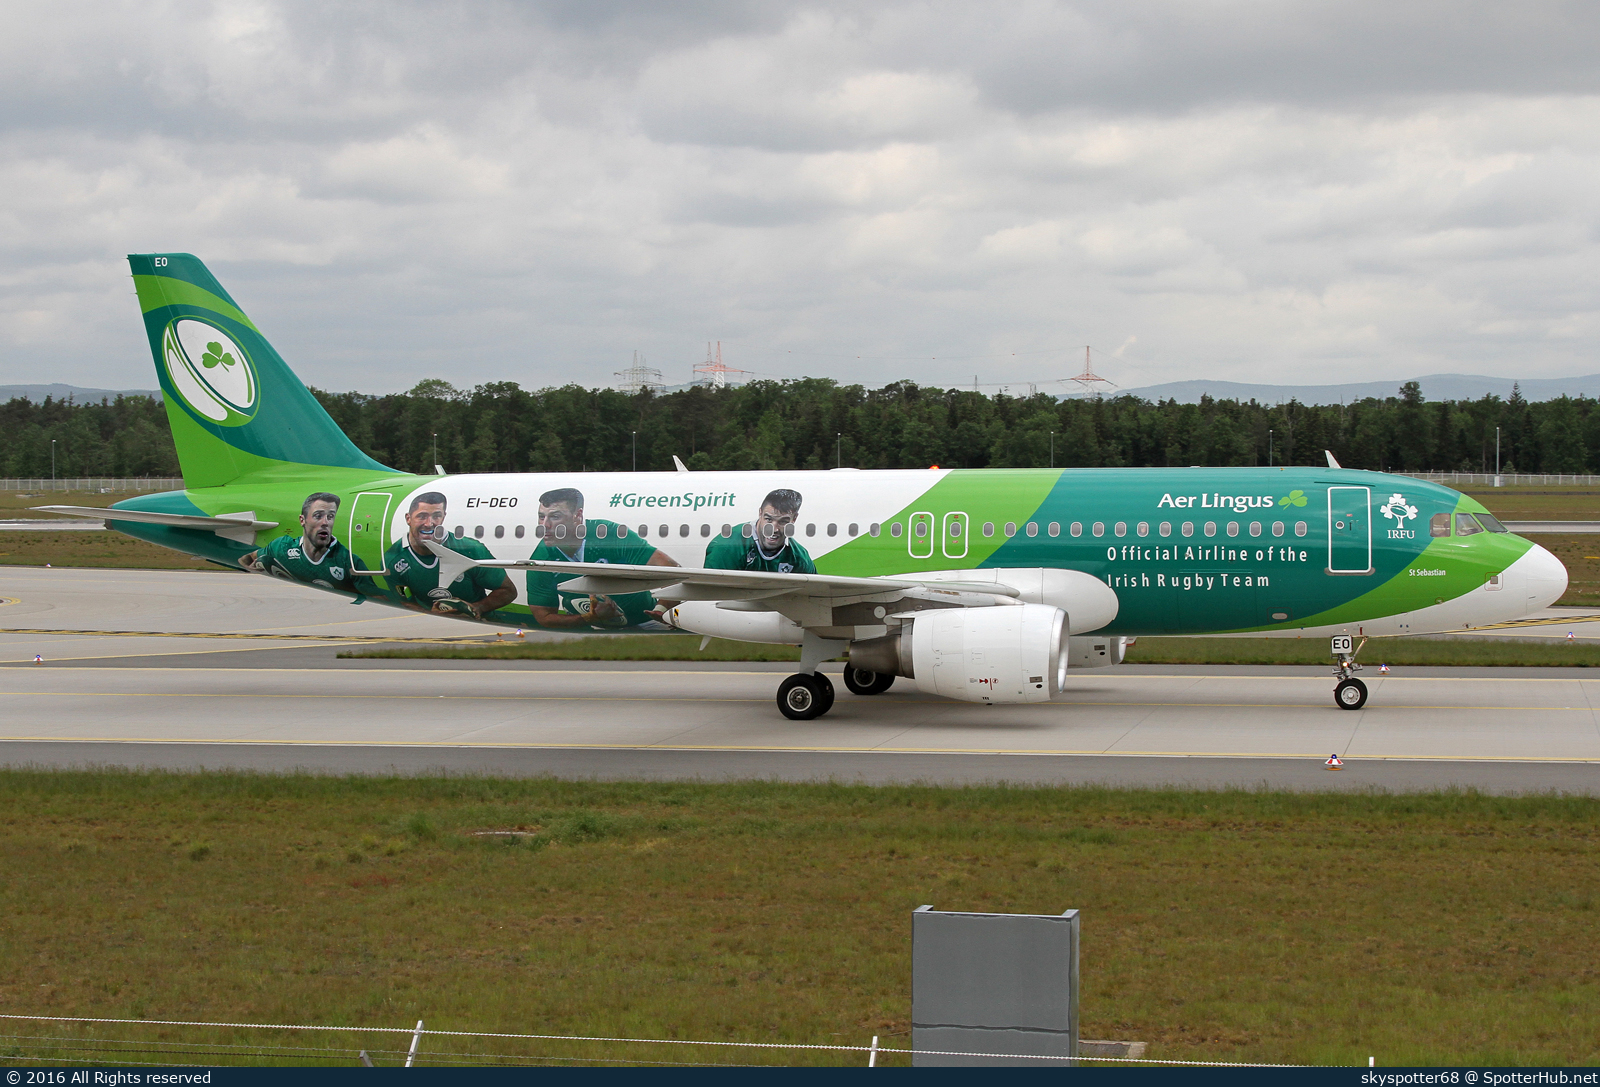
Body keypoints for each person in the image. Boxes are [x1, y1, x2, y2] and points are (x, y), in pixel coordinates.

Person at [525, 487, 680, 629]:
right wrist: (589, 618)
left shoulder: (609, 534)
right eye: (541, 517)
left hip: (646, 621)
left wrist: (660, 611)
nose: (545, 524)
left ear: (577, 515)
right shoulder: (542, 557)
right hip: (587, 628)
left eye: (555, 516)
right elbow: (543, 617)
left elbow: (670, 568)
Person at [382, 491, 516, 619]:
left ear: (443, 517)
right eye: (422, 516)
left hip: (481, 622)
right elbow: (404, 602)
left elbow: (508, 591)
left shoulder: (470, 549)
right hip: (431, 626)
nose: (429, 523)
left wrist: (476, 608)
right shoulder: (394, 559)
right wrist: (432, 615)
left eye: (436, 516)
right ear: (408, 518)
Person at [240, 492, 373, 595]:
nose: (325, 522)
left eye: (330, 516)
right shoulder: (282, 547)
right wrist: (261, 573)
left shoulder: (349, 561)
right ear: (302, 520)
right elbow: (248, 558)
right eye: (318, 516)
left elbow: (377, 597)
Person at [705, 487, 816, 574]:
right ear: (760, 513)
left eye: (783, 522)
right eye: (768, 519)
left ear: (794, 519)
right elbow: (711, 597)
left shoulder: (799, 557)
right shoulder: (727, 547)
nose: (774, 529)